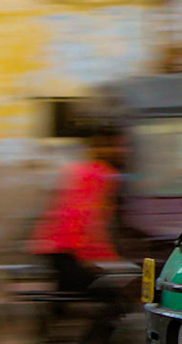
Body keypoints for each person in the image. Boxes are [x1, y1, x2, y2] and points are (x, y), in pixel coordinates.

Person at [29, 131, 123, 305]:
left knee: (65, 299)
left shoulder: (77, 169)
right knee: (112, 301)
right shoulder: (100, 174)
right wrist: (104, 257)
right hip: (68, 249)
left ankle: (51, 324)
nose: (122, 151)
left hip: (53, 247)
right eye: (118, 146)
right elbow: (86, 219)